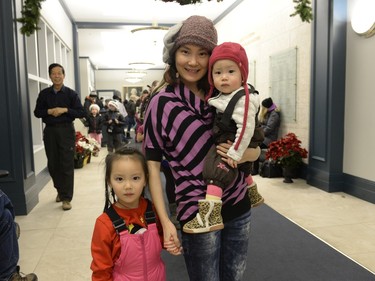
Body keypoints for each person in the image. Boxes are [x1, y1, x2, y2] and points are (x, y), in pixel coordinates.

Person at [143, 15, 258, 280]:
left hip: (238, 204)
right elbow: (153, 168)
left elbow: (255, 150)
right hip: (196, 212)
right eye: (185, 52)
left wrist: (245, 155)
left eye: (202, 53)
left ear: (212, 58)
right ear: (174, 55)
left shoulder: (224, 95)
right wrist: (165, 220)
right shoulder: (161, 103)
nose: (193, 62)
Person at [182, 42, 264, 234]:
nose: (224, 77)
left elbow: (245, 128)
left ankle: (210, 215)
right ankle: (252, 193)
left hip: (236, 141)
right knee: (243, 169)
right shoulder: (228, 94)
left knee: (214, 170)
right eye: (217, 73)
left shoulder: (244, 99)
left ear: (243, 73)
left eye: (230, 71)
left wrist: (236, 152)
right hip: (236, 139)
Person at [90, 147, 165, 281]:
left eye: (135, 178)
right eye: (119, 179)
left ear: (145, 180)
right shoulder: (104, 224)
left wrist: (170, 242)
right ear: (109, 181)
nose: (128, 186)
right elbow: (101, 270)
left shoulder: (152, 211)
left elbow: (162, 239)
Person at [34, 63, 85, 211]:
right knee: (53, 164)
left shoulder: (71, 94)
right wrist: (49, 111)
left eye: (59, 73)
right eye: (53, 73)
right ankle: (60, 190)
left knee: (66, 164)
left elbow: (81, 112)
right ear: (50, 76)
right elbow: (37, 112)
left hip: (66, 131)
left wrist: (65, 110)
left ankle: (66, 198)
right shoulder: (44, 94)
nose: (57, 76)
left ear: (64, 75)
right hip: (50, 132)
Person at [251, 97, 281, 175]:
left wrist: (259, 133)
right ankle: (251, 167)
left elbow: (269, 128)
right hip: (264, 137)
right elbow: (261, 124)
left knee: (255, 146)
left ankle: (255, 169)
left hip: (269, 139)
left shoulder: (274, 115)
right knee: (251, 144)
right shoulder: (268, 113)